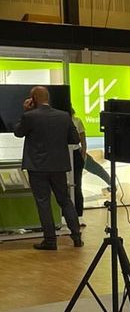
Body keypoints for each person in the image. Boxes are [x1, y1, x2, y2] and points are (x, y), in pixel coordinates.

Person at [14, 87, 83, 250]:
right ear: (48, 98)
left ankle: (50, 240)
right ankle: (76, 237)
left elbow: (18, 132)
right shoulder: (64, 116)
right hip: (59, 165)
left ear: (33, 99)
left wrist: (25, 111)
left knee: (43, 203)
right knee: (65, 200)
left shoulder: (29, 116)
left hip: (37, 167)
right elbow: (74, 139)